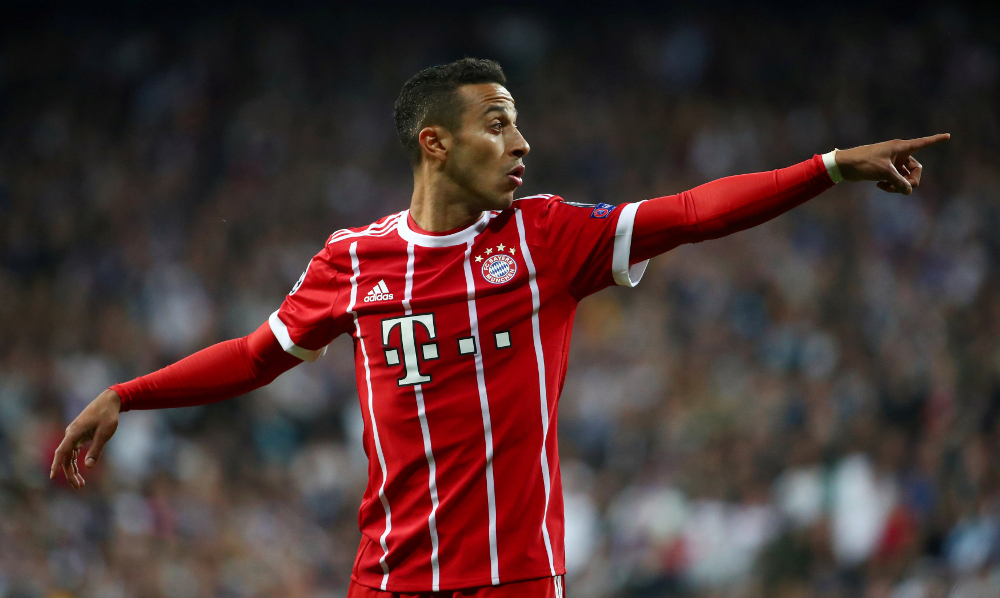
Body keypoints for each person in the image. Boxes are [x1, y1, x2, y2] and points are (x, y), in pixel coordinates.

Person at [50, 57, 949, 597]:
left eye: (520, 126)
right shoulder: (354, 260)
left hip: (517, 581)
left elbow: (692, 212)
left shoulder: (548, 238)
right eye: (498, 124)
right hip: (390, 579)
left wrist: (828, 167)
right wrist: (129, 394)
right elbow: (255, 357)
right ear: (435, 143)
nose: (521, 145)